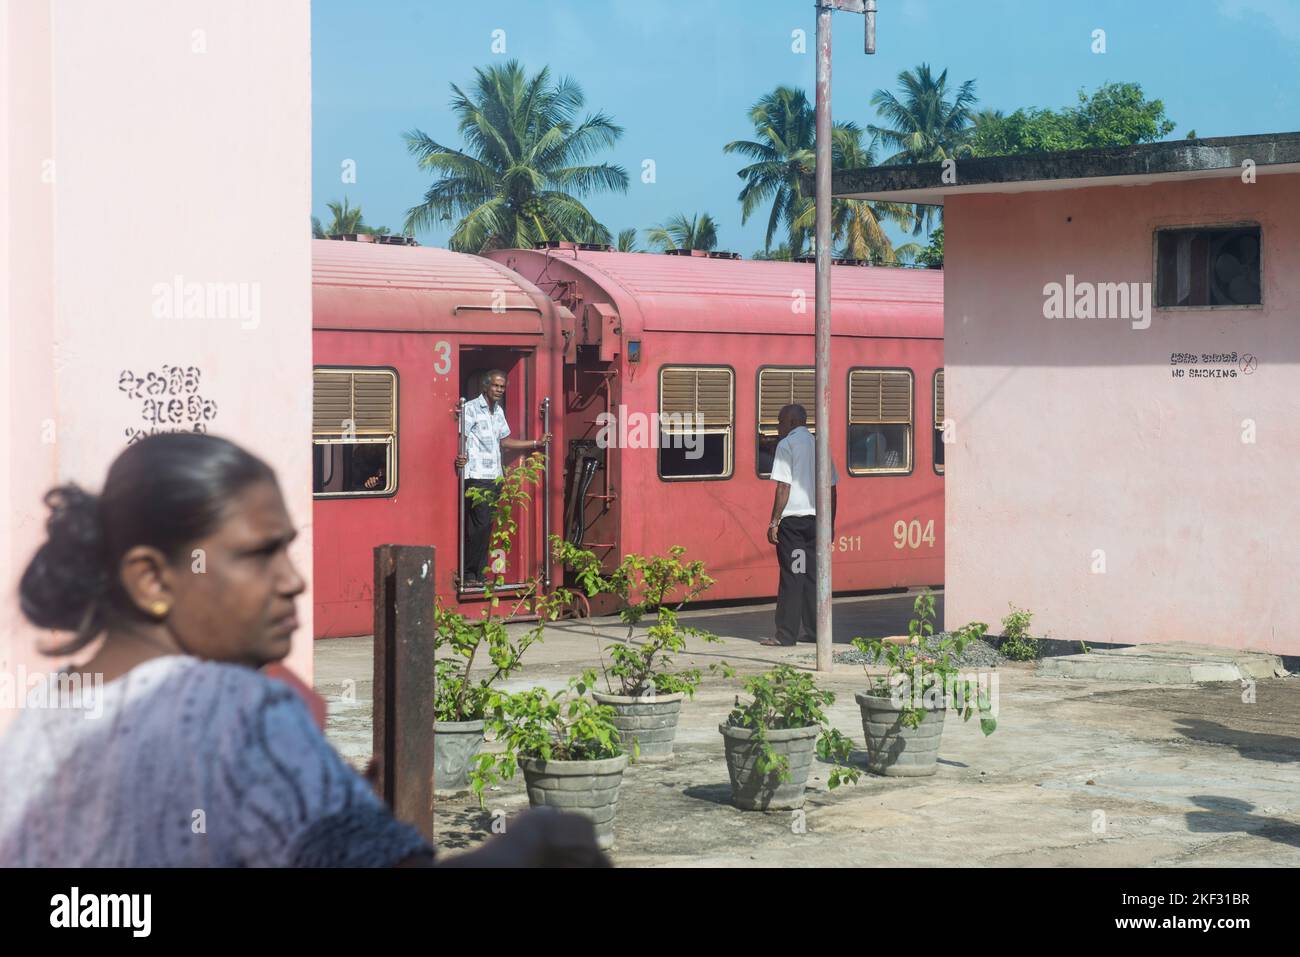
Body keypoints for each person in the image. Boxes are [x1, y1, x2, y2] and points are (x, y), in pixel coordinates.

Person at [0, 432, 603, 867]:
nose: (293, 580)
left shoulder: (45, 716)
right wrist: (529, 846)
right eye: (260, 554)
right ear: (152, 580)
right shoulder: (242, 712)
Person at [454, 370, 550, 585]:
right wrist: (460, 458)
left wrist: (536, 443)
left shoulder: (498, 412)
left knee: (486, 526)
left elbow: (504, 441)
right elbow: (462, 437)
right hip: (476, 475)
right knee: (480, 525)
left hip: (495, 476)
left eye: (502, 387)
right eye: (496, 386)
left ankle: (477, 574)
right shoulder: (470, 408)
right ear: (486, 386)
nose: (499, 390)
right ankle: (470, 574)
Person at [761, 404, 837, 648]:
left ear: (792, 422)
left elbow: (783, 487)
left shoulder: (787, 445)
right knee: (812, 576)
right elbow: (832, 489)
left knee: (793, 576)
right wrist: (830, 526)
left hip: (793, 525)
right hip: (817, 524)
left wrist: (774, 521)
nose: (778, 427)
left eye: (780, 422)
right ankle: (815, 631)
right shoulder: (819, 444)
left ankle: (785, 635)